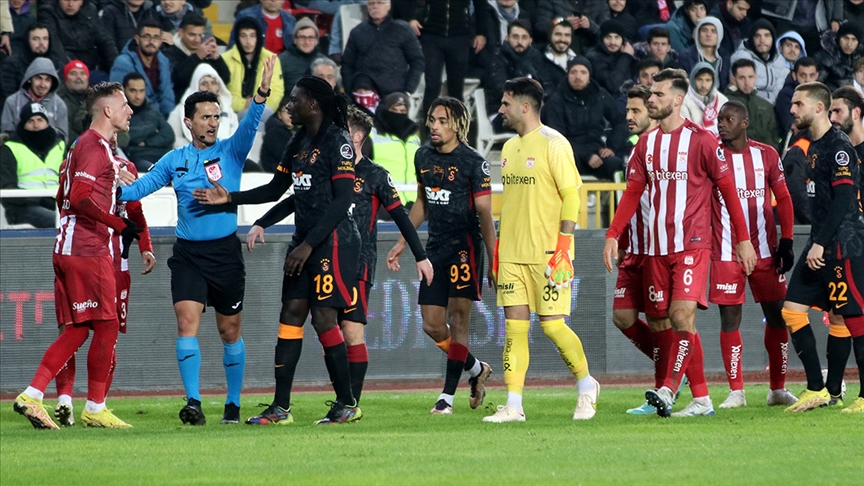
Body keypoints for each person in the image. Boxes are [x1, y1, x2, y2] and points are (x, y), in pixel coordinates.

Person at [192, 75, 363, 425]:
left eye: (295, 99)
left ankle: (347, 403)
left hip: (333, 241)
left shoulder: (338, 141)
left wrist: (307, 246)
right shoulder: (298, 140)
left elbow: (343, 200)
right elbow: (277, 189)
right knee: (290, 315)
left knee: (323, 317)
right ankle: (281, 407)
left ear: (313, 104)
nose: (289, 105)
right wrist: (231, 199)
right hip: (305, 241)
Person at [116, 55, 277, 426]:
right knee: (186, 322)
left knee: (229, 330)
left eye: (216, 116)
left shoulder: (233, 151)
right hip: (188, 253)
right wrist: (113, 189)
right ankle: (193, 403)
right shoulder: (175, 160)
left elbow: (251, 123)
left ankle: (233, 404)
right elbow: (143, 186)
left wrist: (262, 92)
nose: (212, 123)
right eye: (205, 117)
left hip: (225, 253)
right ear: (188, 122)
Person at [245, 105, 436, 406]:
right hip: (326, 253)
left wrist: (420, 255)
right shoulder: (327, 165)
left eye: (342, 128)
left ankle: (351, 402)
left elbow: (400, 216)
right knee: (325, 325)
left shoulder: (375, 175)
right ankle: (340, 401)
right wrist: (262, 221)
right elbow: (296, 199)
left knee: (350, 329)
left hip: (358, 260)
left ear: (357, 136)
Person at [603, 68, 758, 418]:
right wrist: (613, 233)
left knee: (680, 315)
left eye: (657, 95)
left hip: (692, 244)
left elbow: (729, 191)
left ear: (677, 100)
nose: (651, 99)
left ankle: (669, 389)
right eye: (651, 95)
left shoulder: (702, 141)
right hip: (655, 248)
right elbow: (632, 193)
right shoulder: (647, 143)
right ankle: (701, 398)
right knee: (664, 324)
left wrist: (743, 240)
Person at [12, 81, 139, 430]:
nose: (130, 110)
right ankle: (94, 407)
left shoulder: (83, 148)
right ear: (108, 110)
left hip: (70, 247)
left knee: (80, 328)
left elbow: (63, 196)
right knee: (107, 324)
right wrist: (118, 224)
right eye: (125, 104)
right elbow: (81, 197)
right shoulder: (92, 146)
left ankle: (34, 394)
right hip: (87, 249)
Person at [482, 77, 599, 423]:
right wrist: (500, 250)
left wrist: (563, 247)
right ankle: (513, 405)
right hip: (513, 255)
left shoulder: (554, 143)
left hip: (549, 254)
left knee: (551, 325)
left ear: (525, 106)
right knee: (514, 328)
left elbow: (572, 195)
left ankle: (586, 385)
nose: (500, 109)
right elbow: (513, 204)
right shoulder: (507, 149)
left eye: (505, 103)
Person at [387, 97, 496, 415]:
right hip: (434, 250)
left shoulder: (474, 163)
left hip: (465, 250)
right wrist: (403, 241)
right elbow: (422, 202)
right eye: (432, 119)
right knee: (433, 325)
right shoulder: (423, 155)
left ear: (458, 125)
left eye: (442, 120)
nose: (434, 125)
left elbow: (486, 215)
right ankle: (476, 369)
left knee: (458, 320)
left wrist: (494, 259)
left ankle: (446, 398)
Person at [52, 132, 156, 426]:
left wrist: (145, 247)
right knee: (75, 331)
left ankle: (96, 404)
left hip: (114, 265)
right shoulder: (76, 165)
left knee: (102, 337)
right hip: (88, 257)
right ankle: (68, 400)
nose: (111, 139)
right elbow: (68, 204)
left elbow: (135, 211)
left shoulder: (127, 167)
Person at [708, 100, 798, 409]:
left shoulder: (767, 154)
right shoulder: (711, 154)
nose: (722, 124)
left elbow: (783, 197)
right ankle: (737, 391)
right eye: (720, 119)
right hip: (725, 251)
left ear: (744, 123)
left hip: (766, 252)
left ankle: (777, 389)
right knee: (729, 318)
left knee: (777, 317)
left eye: (728, 119)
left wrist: (787, 241)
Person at [781, 81, 864, 414]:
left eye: (798, 104)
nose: (792, 109)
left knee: (854, 318)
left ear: (818, 107)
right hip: (823, 241)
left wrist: (820, 243)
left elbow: (845, 199)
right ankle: (818, 388)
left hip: (845, 243)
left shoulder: (838, 146)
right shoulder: (812, 147)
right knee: (792, 309)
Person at [612, 84, 689, 415]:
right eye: (627, 111)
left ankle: (664, 390)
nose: (629, 117)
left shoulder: (665, 148)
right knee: (623, 316)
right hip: (635, 249)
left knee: (661, 322)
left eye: (636, 111)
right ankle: (675, 372)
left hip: (659, 248)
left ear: (654, 110)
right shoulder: (637, 148)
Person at [822, 85, 864, 407]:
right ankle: (832, 390)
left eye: (838, 111)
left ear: (856, 113)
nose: (832, 118)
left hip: (856, 246)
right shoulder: (839, 154)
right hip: (847, 247)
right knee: (841, 313)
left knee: (856, 314)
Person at [543, 56, 628, 181]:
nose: (578, 77)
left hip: (597, 152)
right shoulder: (556, 101)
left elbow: (620, 121)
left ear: (589, 76)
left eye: (583, 72)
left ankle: (618, 201)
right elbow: (557, 139)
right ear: (567, 75)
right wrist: (586, 155)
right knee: (564, 162)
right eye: (573, 72)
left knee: (616, 165)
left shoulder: (600, 95)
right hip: (569, 153)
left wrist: (611, 147)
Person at [410, 0, 489, 119]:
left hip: (459, 35)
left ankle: (457, 130)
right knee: (432, 86)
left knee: (456, 87)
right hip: (431, 34)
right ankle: (429, 132)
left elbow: (481, 4)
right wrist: (411, 18)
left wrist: (481, 32)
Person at [341, 0, 424, 98]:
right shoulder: (357, 32)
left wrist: (408, 90)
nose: (375, 6)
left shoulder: (403, 30)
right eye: (371, 3)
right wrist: (350, 90)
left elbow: (417, 61)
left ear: (389, 6)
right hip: (364, 93)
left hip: (394, 95)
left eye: (380, 2)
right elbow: (347, 64)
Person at [0, 102, 64, 228]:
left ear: (47, 122)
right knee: (59, 221)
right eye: (30, 121)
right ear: (23, 124)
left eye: (40, 120)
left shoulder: (60, 146)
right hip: (23, 208)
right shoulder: (10, 148)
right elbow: (7, 188)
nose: (36, 125)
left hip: (56, 204)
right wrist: (38, 199)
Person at [37, 0, 118, 80]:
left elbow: (105, 41)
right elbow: (55, 47)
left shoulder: (90, 10)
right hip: (64, 69)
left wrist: (116, 69)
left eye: (75, 0)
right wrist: (73, 71)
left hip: (91, 67)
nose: (70, 4)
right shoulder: (47, 12)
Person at [109, 20, 175, 117]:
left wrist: (169, 115)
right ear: (137, 39)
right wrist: (158, 117)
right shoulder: (122, 63)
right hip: (133, 116)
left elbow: (167, 94)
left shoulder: (164, 61)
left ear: (161, 41)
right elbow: (117, 97)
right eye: (147, 36)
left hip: (161, 116)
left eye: (156, 38)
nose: (151, 41)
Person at [162, 13, 230, 104]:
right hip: (183, 106)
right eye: (192, 35)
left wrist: (217, 59)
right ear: (181, 33)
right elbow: (176, 79)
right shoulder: (169, 54)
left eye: (200, 35)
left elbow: (225, 79)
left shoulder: (206, 52)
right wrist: (197, 57)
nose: (197, 40)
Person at [169, 63, 239, 149]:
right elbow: (174, 138)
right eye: (204, 84)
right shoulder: (179, 111)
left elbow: (237, 137)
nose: (210, 87)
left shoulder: (228, 110)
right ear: (196, 87)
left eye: (213, 83)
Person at [222, 17, 284, 115]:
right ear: (237, 37)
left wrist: (257, 105)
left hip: (262, 113)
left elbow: (276, 92)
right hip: (232, 113)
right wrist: (243, 104)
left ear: (258, 37)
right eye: (243, 36)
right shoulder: (225, 59)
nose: (248, 41)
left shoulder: (272, 59)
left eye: (252, 36)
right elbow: (220, 93)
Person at [369, 92, 421, 206]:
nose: (398, 114)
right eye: (394, 110)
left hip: (412, 205)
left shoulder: (414, 138)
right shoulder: (372, 136)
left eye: (402, 111)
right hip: (384, 205)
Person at [1, 57, 68, 141]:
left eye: (47, 80)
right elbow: (6, 135)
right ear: (29, 79)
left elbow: (63, 138)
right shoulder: (12, 102)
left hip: (47, 151)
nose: (42, 84)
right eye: (38, 78)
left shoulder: (59, 105)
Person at [0, 22, 68, 102]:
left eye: (45, 38)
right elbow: (10, 97)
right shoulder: (11, 64)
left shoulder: (57, 64)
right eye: (36, 39)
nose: (41, 43)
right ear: (27, 40)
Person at [724, 58, 780, 150]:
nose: (747, 83)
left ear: (755, 77)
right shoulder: (724, 103)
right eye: (742, 78)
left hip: (764, 157)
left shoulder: (765, 105)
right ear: (733, 80)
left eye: (750, 77)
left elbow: (773, 135)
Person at [123, 72, 174, 172]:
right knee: (154, 171)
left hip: (161, 154)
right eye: (133, 91)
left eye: (142, 91)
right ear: (124, 90)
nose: (138, 96)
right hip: (136, 157)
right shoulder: (120, 111)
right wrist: (151, 129)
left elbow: (169, 135)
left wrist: (147, 142)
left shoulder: (152, 110)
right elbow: (124, 136)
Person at [729, 19, 789, 104]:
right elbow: (743, 88)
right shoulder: (742, 57)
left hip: (772, 105)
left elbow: (778, 89)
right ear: (751, 38)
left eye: (767, 35)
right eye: (757, 36)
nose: (762, 40)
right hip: (748, 103)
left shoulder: (778, 60)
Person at [585, 19, 635, 98]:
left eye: (617, 37)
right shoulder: (594, 57)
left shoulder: (627, 52)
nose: (612, 42)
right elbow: (612, 85)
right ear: (602, 39)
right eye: (608, 37)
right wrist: (626, 57)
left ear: (622, 40)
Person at [679, 16, 730, 91]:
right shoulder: (686, 56)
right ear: (698, 34)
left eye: (713, 31)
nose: (708, 35)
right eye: (704, 30)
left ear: (720, 35)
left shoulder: (725, 56)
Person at [278, 17, 327, 93]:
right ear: (295, 39)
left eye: (311, 38)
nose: (306, 42)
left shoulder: (325, 61)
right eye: (302, 37)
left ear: (317, 40)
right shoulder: (281, 61)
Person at [230, 0, 297, 55]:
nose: (273, 0)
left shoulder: (291, 20)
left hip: (281, 66)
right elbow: (232, 46)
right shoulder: (245, 16)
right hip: (254, 65)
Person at [775, 57, 820, 137]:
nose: (808, 80)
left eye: (811, 75)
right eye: (803, 75)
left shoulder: (821, 95)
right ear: (794, 75)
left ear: (817, 76)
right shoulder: (785, 95)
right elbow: (790, 125)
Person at [681, 62, 728, 136]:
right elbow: (686, 130)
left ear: (713, 81)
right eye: (699, 80)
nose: (703, 85)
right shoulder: (684, 101)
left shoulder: (722, 100)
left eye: (708, 80)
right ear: (693, 80)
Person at [815, 21, 864, 90]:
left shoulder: (860, 57)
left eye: (854, 40)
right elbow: (817, 85)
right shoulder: (825, 58)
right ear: (838, 38)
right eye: (846, 38)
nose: (849, 44)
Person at [56, 60, 90, 143]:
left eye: (82, 73)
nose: (79, 77)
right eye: (73, 73)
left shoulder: (98, 98)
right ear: (66, 79)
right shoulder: (58, 101)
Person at [259, 95, 293, 173]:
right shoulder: (275, 131)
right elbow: (284, 158)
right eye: (287, 111)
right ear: (279, 114)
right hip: (273, 173)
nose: (290, 115)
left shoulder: (290, 131)